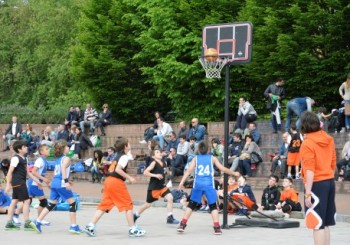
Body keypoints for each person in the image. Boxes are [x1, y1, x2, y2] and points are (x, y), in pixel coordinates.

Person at [83, 137, 146, 237]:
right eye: (128, 143)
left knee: (104, 205)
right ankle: (132, 229)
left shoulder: (117, 155)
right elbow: (118, 170)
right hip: (115, 182)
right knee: (128, 205)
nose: (130, 144)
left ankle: (90, 226)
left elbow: (113, 170)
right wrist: (129, 178)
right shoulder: (124, 157)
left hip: (109, 181)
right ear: (125, 146)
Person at [177, 141, 240, 235]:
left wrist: (181, 182)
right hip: (209, 185)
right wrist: (234, 173)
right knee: (213, 206)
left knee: (191, 205)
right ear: (208, 149)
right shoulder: (212, 158)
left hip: (198, 184)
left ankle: (182, 224)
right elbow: (222, 169)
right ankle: (217, 227)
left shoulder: (196, 158)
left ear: (198, 150)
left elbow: (188, 171)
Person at [299, 111, 336, 245]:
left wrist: (308, 194)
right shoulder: (328, 139)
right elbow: (333, 162)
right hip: (330, 181)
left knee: (317, 223)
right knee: (324, 222)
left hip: (316, 184)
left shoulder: (307, 143)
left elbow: (309, 170)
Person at [32, 140, 83, 234]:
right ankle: (73, 226)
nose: (68, 148)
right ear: (63, 149)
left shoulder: (58, 159)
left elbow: (58, 171)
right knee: (73, 204)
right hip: (61, 183)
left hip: (55, 182)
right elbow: (63, 168)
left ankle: (37, 221)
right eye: (67, 147)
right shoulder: (66, 158)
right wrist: (66, 181)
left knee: (51, 204)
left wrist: (67, 179)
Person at [134, 149, 179, 224]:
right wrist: (155, 175)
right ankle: (135, 215)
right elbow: (145, 172)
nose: (159, 153)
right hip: (154, 187)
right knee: (148, 204)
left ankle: (169, 217)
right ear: (153, 156)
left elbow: (166, 171)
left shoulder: (164, 162)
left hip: (162, 186)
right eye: (157, 152)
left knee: (170, 198)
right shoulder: (153, 163)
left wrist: (168, 172)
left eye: (160, 152)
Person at [4, 140, 36, 231]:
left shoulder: (24, 158)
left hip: (20, 182)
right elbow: (9, 172)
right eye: (25, 147)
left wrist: (37, 181)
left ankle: (9, 223)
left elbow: (28, 173)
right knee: (26, 201)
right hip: (18, 182)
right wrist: (7, 185)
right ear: (19, 149)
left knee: (14, 201)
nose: (26, 148)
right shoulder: (16, 158)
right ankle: (27, 223)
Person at [27, 144, 51, 225]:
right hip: (34, 184)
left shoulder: (44, 161)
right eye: (47, 149)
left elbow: (41, 173)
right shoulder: (40, 160)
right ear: (41, 152)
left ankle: (15, 215)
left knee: (28, 201)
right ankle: (39, 219)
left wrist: (46, 182)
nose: (49, 150)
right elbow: (33, 171)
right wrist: (43, 180)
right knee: (44, 202)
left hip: (34, 183)